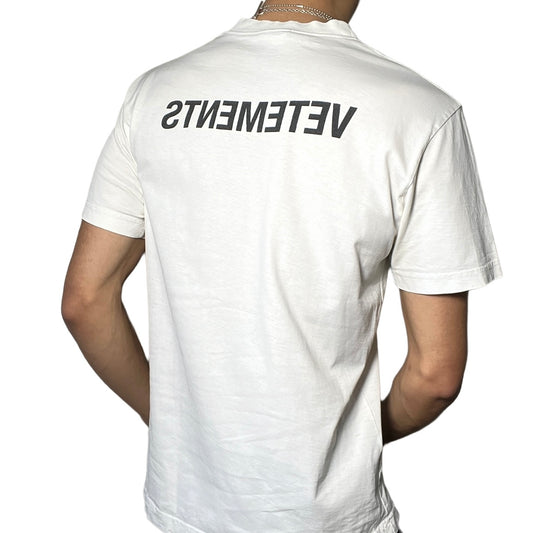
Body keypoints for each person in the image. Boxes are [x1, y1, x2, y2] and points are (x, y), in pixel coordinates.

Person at [61, 1, 503, 532]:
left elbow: (86, 301)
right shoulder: (419, 112)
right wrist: (356, 438)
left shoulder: (154, 94)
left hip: (184, 509)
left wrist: (167, 419)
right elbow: (435, 376)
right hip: (326, 517)